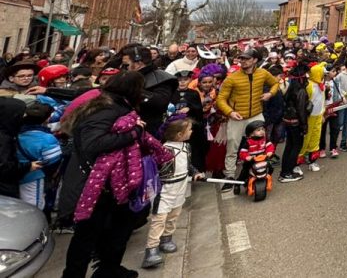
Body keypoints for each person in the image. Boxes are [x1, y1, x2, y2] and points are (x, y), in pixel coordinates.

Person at [59, 71, 172, 278]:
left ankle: (109, 269)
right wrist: (134, 133)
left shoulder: (111, 103)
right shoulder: (106, 109)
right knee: (87, 236)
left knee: (117, 230)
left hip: (114, 183)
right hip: (97, 185)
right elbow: (93, 144)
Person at [143, 118, 205, 268]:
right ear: (179, 134)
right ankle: (151, 248)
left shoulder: (186, 147)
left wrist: (195, 173)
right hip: (165, 189)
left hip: (181, 187)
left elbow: (188, 164)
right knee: (159, 219)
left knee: (174, 215)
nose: (192, 132)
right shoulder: (164, 150)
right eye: (189, 130)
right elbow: (154, 168)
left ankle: (166, 239)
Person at [215, 48, 279, 188]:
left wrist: (270, 94)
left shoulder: (263, 73)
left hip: (256, 114)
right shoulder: (232, 77)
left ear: (255, 60)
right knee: (233, 146)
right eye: (241, 58)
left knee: (261, 144)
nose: (242, 61)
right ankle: (230, 176)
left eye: (246, 58)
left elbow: (275, 83)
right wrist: (230, 112)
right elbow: (220, 99)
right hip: (237, 117)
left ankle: (260, 170)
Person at [17, 102, 63, 210]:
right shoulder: (47, 138)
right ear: (46, 119)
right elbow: (53, 160)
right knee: (34, 207)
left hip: (14, 173)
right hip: (34, 176)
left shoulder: (15, 131)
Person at [127, 44, 179, 135]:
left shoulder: (163, 79)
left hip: (148, 129)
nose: (125, 68)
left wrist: (135, 91)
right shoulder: (126, 76)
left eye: (127, 65)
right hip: (125, 125)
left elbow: (160, 101)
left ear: (138, 64)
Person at [278, 63, 311, 183]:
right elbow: (302, 111)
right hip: (296, 122)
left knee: (289, 146)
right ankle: (287, 173)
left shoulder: (291, 87)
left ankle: (284, 171)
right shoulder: (301, 91)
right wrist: (304, 126)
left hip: (288, 120)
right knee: (295, 147)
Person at [0, 98, 36, 200]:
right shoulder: (4, 139)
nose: (24, 116)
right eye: (21, 114)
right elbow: (4, 168)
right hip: (4, 190)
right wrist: (27, 167)